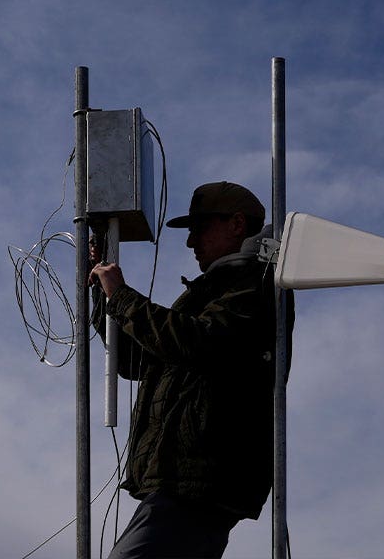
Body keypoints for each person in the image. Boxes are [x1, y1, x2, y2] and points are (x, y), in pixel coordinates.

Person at [89, 181, 291, 559]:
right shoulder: (215, 290)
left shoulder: (257, 283)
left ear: (237, 224)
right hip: (185, 481)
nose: (191, 241)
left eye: (200, 228)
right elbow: (138, 360)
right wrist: (105, 295)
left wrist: (122, 297)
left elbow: (197, 341)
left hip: (203, 477)